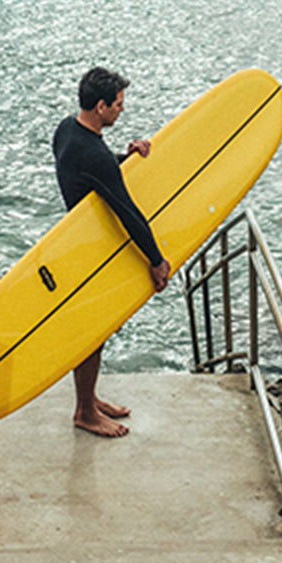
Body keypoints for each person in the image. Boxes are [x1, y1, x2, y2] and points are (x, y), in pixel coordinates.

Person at [52, 66, 171, 438]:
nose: (123, 109)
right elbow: (127, 212)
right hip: (94, 250)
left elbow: (88, 173)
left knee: (95, 329)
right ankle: (85, 411)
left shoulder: (67, 130)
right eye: (118, 104)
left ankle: (90, 398)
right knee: (94, 331)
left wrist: (125, 157)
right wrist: (156, 260)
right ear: (101, 105)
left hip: (78, 239)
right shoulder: (95, 156)